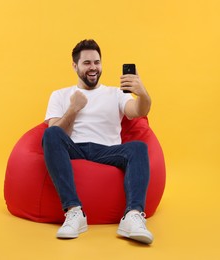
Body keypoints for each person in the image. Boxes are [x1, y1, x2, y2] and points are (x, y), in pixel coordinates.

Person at [42, 39, 153, 244]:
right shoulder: (60, 95)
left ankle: (133, 215)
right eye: (87, 63)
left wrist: (143, 93)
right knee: (50, 134)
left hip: (108, 151)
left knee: (139, 147)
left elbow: (138, 111)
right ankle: (74, 212)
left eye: (97, 62)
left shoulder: (116, 93)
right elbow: (55, 134)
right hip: (74, 148)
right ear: (75, 66)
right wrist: (73, 109)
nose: (93, 67)